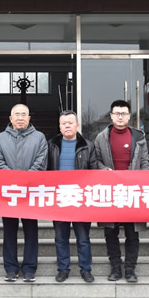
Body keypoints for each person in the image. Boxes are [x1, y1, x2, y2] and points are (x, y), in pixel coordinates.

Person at [93, 100, 149, 282]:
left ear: (129, 116)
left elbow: (145, 162)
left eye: (123, 113)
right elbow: (95, 161)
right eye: (116, 113)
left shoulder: (139, 136)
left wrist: (141, 180)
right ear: (111, 115)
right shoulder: (101, 137)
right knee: (111, 232)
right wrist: (103, 170)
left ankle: (130, 269)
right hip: (110, 192)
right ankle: (115, 268)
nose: (120, 117)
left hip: (132, 191)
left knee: (132, 233)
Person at [0, 103, 48, 282]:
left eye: (24, 114)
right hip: (9, 192)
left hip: (31, 191)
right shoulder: (0, 138)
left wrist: (26, 179)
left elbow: (41, 161)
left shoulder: (39, 137)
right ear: (11, 118)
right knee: (9, 231)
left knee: (31, 231)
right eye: (17, 114)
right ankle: (10, 268)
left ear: (29, 118)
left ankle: (30, 268)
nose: (20, 117)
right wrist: (13, 179)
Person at [48, 110, 98, 283]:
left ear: (77, 125)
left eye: (70, 123)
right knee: (60, 238)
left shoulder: (88, 146)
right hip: (59, 198)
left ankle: (86, 269)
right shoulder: (51, 145)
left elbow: (94, 171)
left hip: (80, 198)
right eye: (64, 123)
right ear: (59, 126)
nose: (67, 126)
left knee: (83, 238)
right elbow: (45, 170)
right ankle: (63, 269)